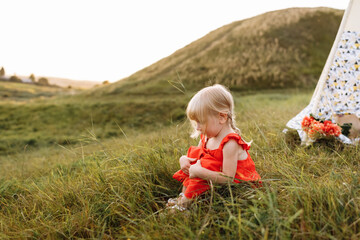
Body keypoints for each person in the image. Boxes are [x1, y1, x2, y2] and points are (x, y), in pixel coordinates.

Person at [167, 84, 261, 211]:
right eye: (196, 122)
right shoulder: (208, 137)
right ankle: (184, 198)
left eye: (201, 121)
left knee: (199, 172)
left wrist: (200, 172)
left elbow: (228, 178)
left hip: (238, 184)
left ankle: (184, 206)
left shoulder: (230, 142)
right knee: (196, 164)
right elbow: (197, 157)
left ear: (221, 117)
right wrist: (184, 159)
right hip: (215, 176)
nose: (197, 127)